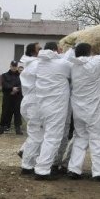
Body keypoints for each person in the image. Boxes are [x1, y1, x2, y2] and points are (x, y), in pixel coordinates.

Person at [66, 43, 100, 182]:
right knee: (97, 139)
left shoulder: (74, 67)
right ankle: (99, 172)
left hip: (78, 110)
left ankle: (74, 169)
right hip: (94, 112)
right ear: (89, 52)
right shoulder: (94, 64)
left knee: (80, 138)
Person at [33, 42, 72, 180]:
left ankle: (40, 165)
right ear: (56, 50)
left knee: (46, 136)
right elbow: (74, 68)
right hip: (56, 107)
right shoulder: (62, 65)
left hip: (43, 105)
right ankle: (42, 170)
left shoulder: (39, 64)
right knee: (53, 138)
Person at [19, 42, 41, 174]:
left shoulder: (31, 64)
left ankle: (23, 151)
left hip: (30, 102)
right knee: (36, 136)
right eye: (40, 49)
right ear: (33, 52)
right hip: (33, 103)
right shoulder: (36, 65)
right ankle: (27, 165)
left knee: (37, 133)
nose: (43, 51)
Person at [0, 60, 22, 135]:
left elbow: (23, 84)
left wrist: (16, 89)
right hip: (8, 97)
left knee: (17, 113)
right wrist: (12, 88)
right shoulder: (5, 75)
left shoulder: (21, 75)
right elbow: (4, 84)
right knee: (5, 112)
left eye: (15, 66)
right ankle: (2, 128)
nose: (14, 68)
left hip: (17, 97)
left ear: (17, 67)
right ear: (10, 66)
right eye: (13, 66)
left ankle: (18, 129)